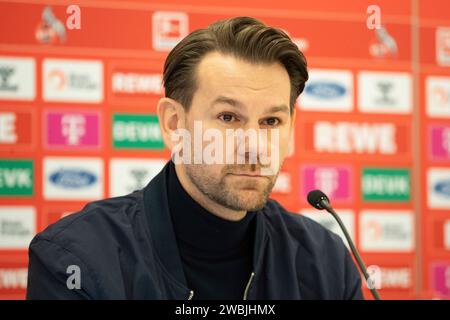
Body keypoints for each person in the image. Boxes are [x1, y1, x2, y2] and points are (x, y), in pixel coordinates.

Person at [26, 16, 363, 300]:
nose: (255, 146)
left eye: (271, 121)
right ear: (174, 124)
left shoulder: (326, 262)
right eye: (228, 118)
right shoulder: (75, 260)